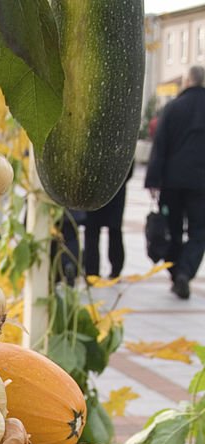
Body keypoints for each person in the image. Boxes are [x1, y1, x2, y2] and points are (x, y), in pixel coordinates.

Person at [145, 66, 205, 299]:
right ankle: (185, 272)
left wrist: (153, 180)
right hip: (201, 183)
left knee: (173, 230)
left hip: (172, 181)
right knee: (199, 231)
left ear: (187, 81)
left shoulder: (173, 108)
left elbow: (160, 146)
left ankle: (176, 273)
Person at [83, 163, 134, 280]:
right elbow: (129, 167)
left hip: (93, 187)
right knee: (114, 230)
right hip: (116, 187)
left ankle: (92, 271)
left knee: (92, 230)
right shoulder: (124, 144)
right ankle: (116, 269)